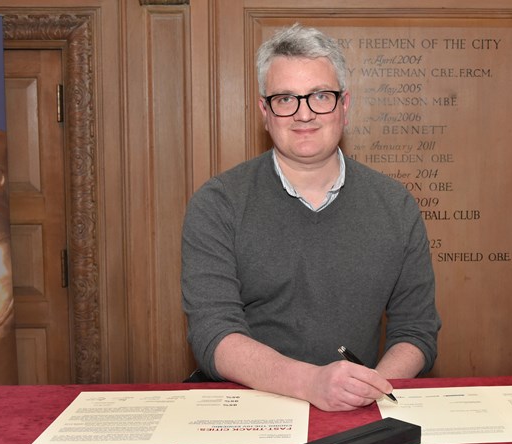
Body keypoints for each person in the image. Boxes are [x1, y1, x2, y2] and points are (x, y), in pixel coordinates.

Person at [181, 23, 441, 412]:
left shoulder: (395, 204)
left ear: (344, 105)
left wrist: (372, 390)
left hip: (359, 410)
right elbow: (212, 332)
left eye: (321, 95)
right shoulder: (218, 204)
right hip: (250, 410)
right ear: (265, 111)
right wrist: (312, 383)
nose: (304, 114)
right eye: (286, 99)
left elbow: (416, 330)